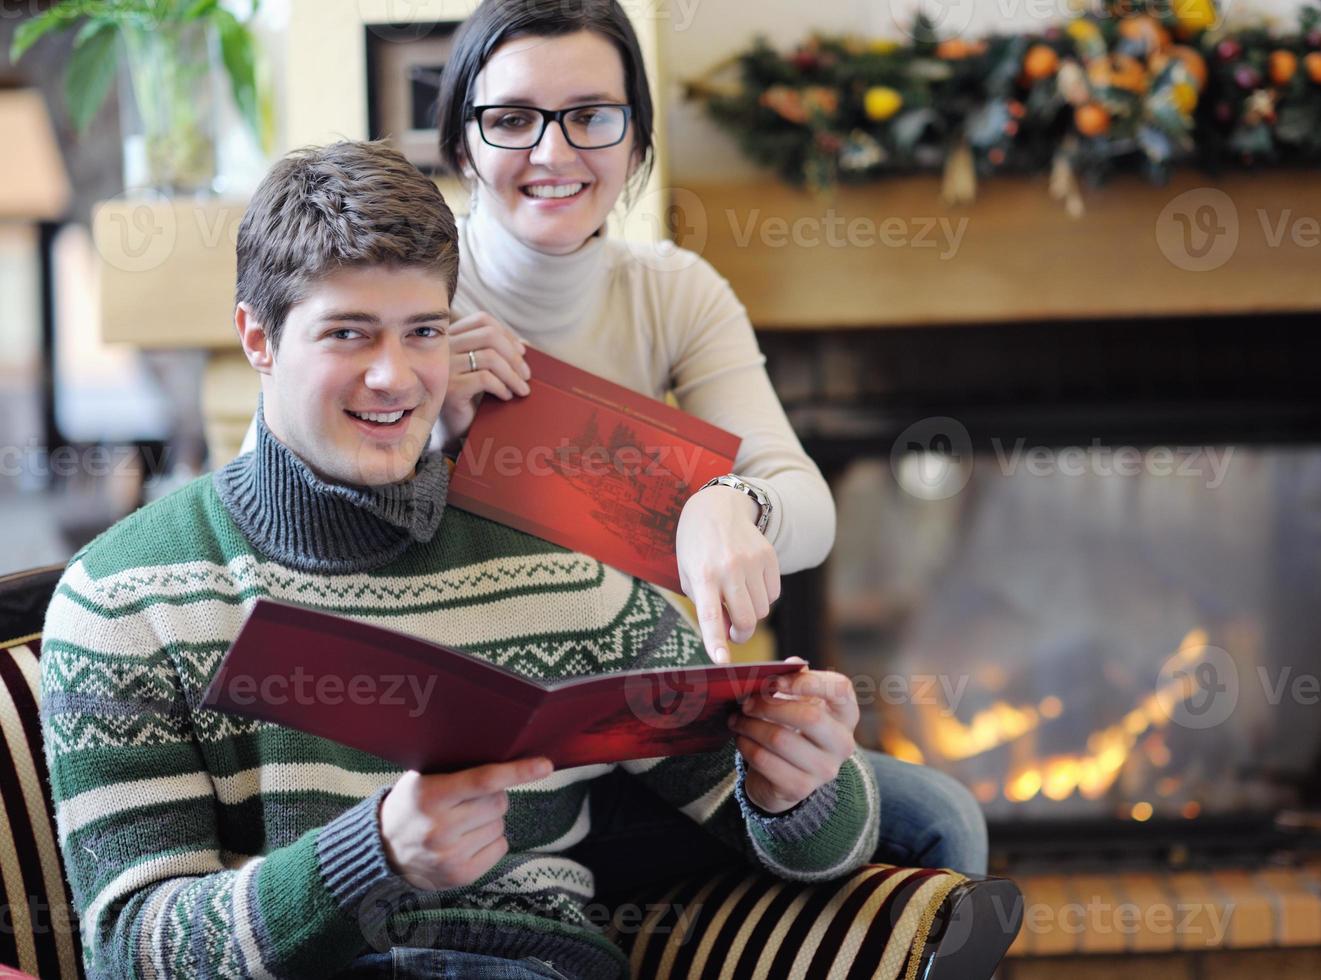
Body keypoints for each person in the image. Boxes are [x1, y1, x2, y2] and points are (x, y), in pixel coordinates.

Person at [40, 140, 878, 980]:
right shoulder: (125, 598)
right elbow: (128, 951)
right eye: (348, 334)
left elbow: (791, 836)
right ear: (258, 337)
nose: (393, 377)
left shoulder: (557, 558)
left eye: (424, 332)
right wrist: (366, 858)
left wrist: (798, 790)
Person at [431, 0, 987, 888]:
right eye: (511, 120)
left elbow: (810, 509)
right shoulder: (410, 298)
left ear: (638, 144)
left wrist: (728, 500)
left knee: (936, 821)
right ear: (462, 146)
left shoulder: (674, 291)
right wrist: (429, 416)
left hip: (646, 732)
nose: (553, 151)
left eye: (592, 117)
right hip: (477, 758)